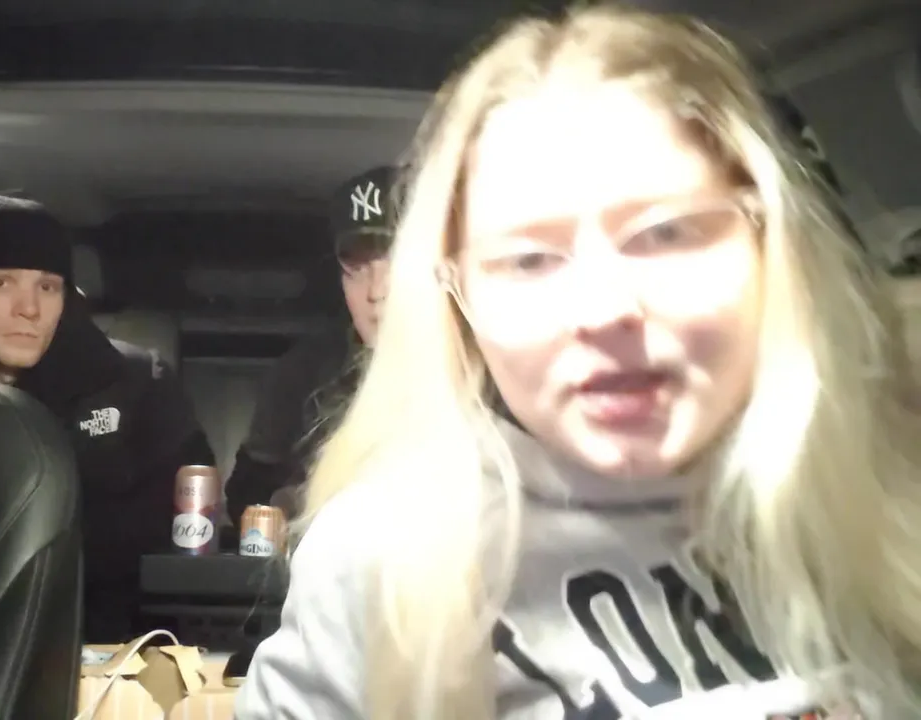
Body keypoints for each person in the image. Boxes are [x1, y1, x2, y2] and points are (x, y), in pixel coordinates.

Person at [235, 5, 921, 719]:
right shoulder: (383, 558)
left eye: (666, 233)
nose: (603, 309)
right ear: (459, 301)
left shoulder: (886, 482)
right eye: (528, 260)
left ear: (769, 242)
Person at [0, 194, 216, 642]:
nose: (29, 309)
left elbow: (179, 549)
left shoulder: (137, 384)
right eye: (0, 283)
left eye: (47, 287)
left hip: (106, 644)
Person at [224, 165, 399, 527]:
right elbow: (248, 496)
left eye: (396, 262)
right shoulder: (303, 375)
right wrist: (293, 502)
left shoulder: (493, 376)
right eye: (356, 268)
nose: (375, 290)